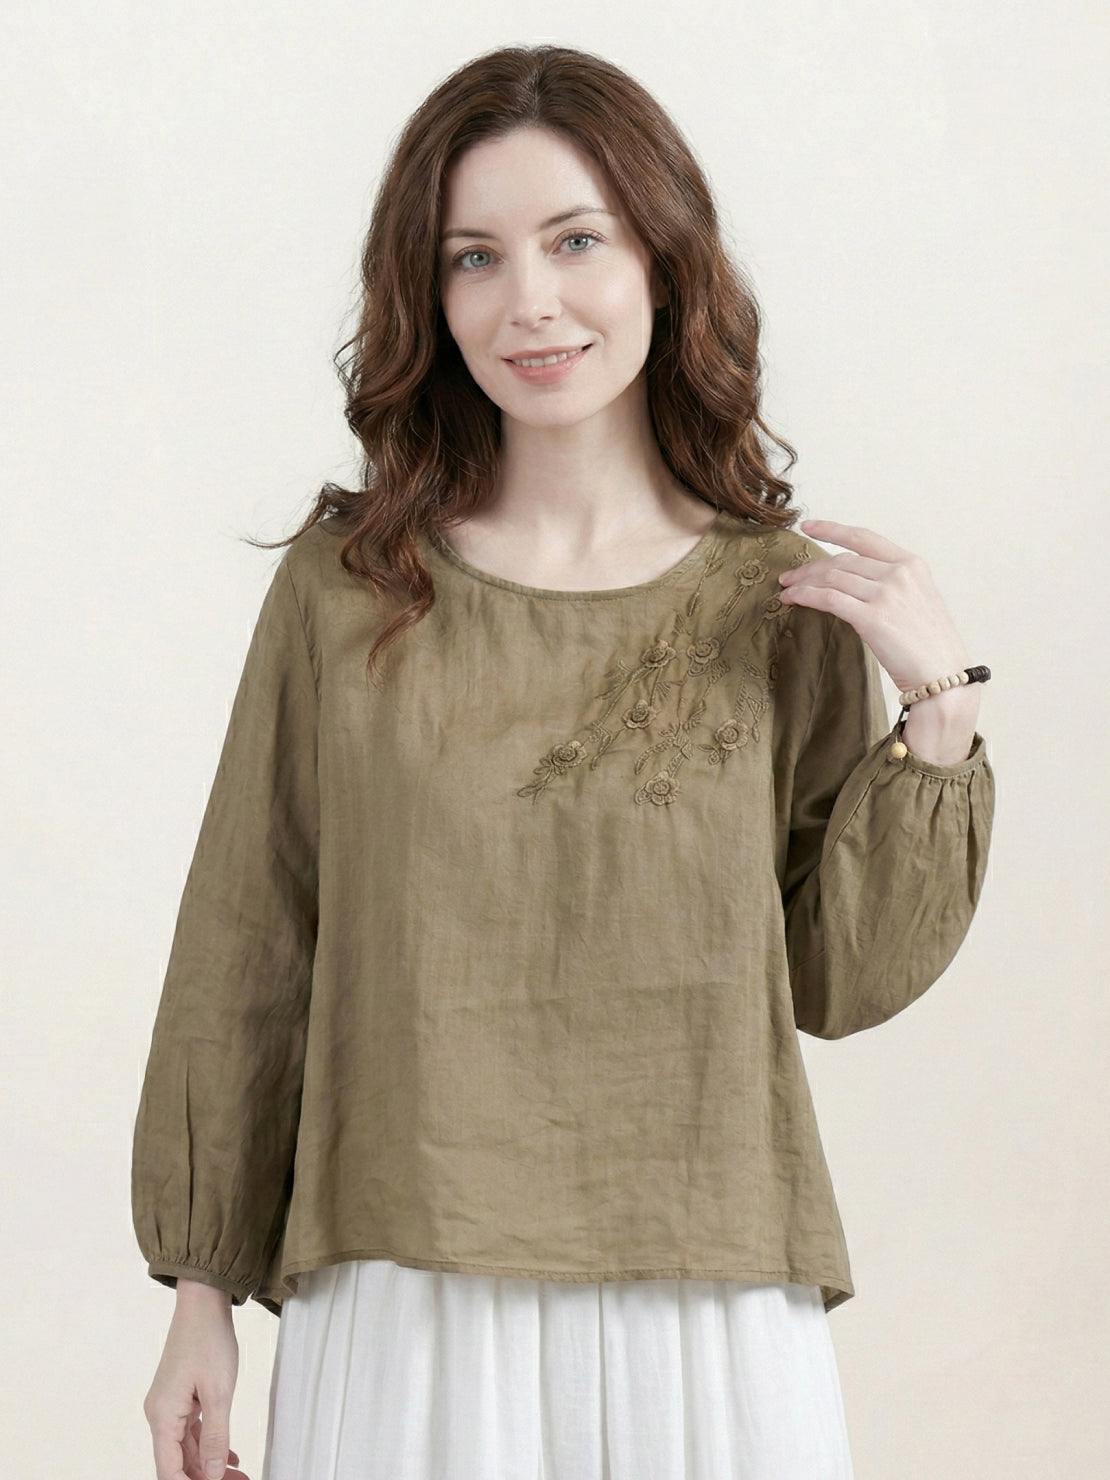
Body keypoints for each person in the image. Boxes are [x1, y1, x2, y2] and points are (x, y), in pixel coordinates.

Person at [132, 44, 995, 1480]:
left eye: (574, 239)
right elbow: (250, 941)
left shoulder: (776, 599)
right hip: (403, 1282)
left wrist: (938, 719)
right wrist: (199, 1300)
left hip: (710, 1289)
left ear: (662, 258)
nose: (527, 300)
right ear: (429, 298)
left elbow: (839, 979)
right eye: (473, 257)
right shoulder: (351, 590)